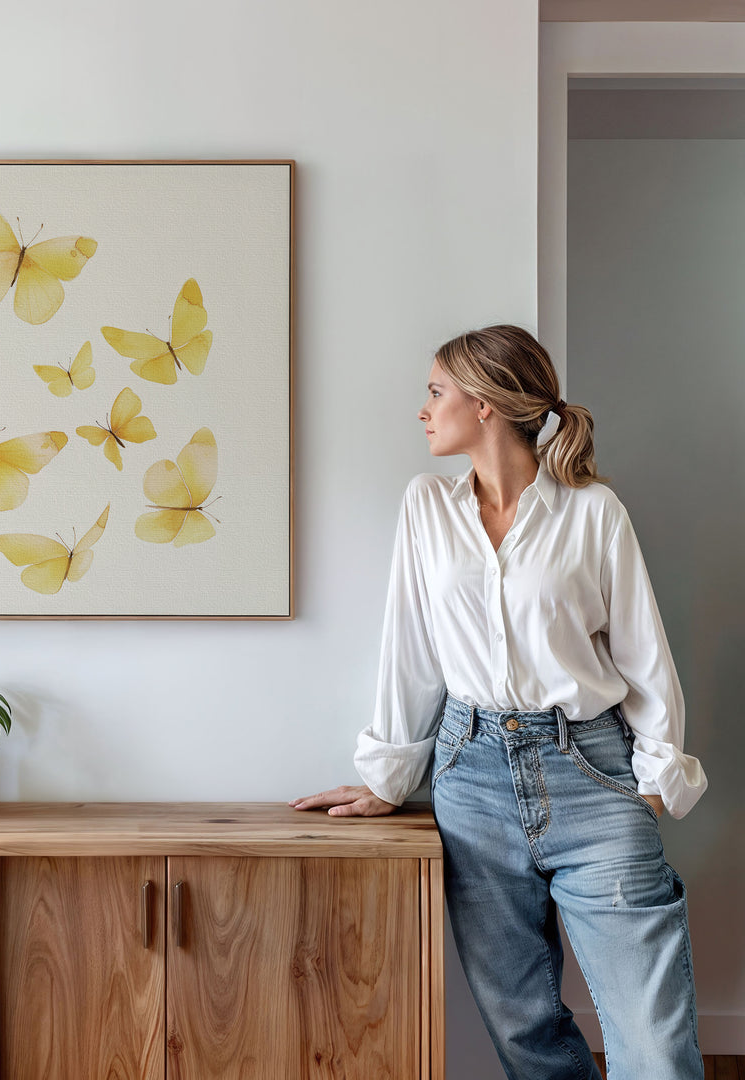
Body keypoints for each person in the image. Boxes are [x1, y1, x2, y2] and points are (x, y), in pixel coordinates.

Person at [290, 325, 707, 1080]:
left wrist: (652, 781)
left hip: (593, 770)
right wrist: (390, 777)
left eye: (435, 392)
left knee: (653, 1040)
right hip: (470, 776)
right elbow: (409, 648)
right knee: (525, 1032)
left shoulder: (593, 512)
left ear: (484, 405)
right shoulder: (426, 507)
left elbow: (645, 655)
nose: (423, 409)